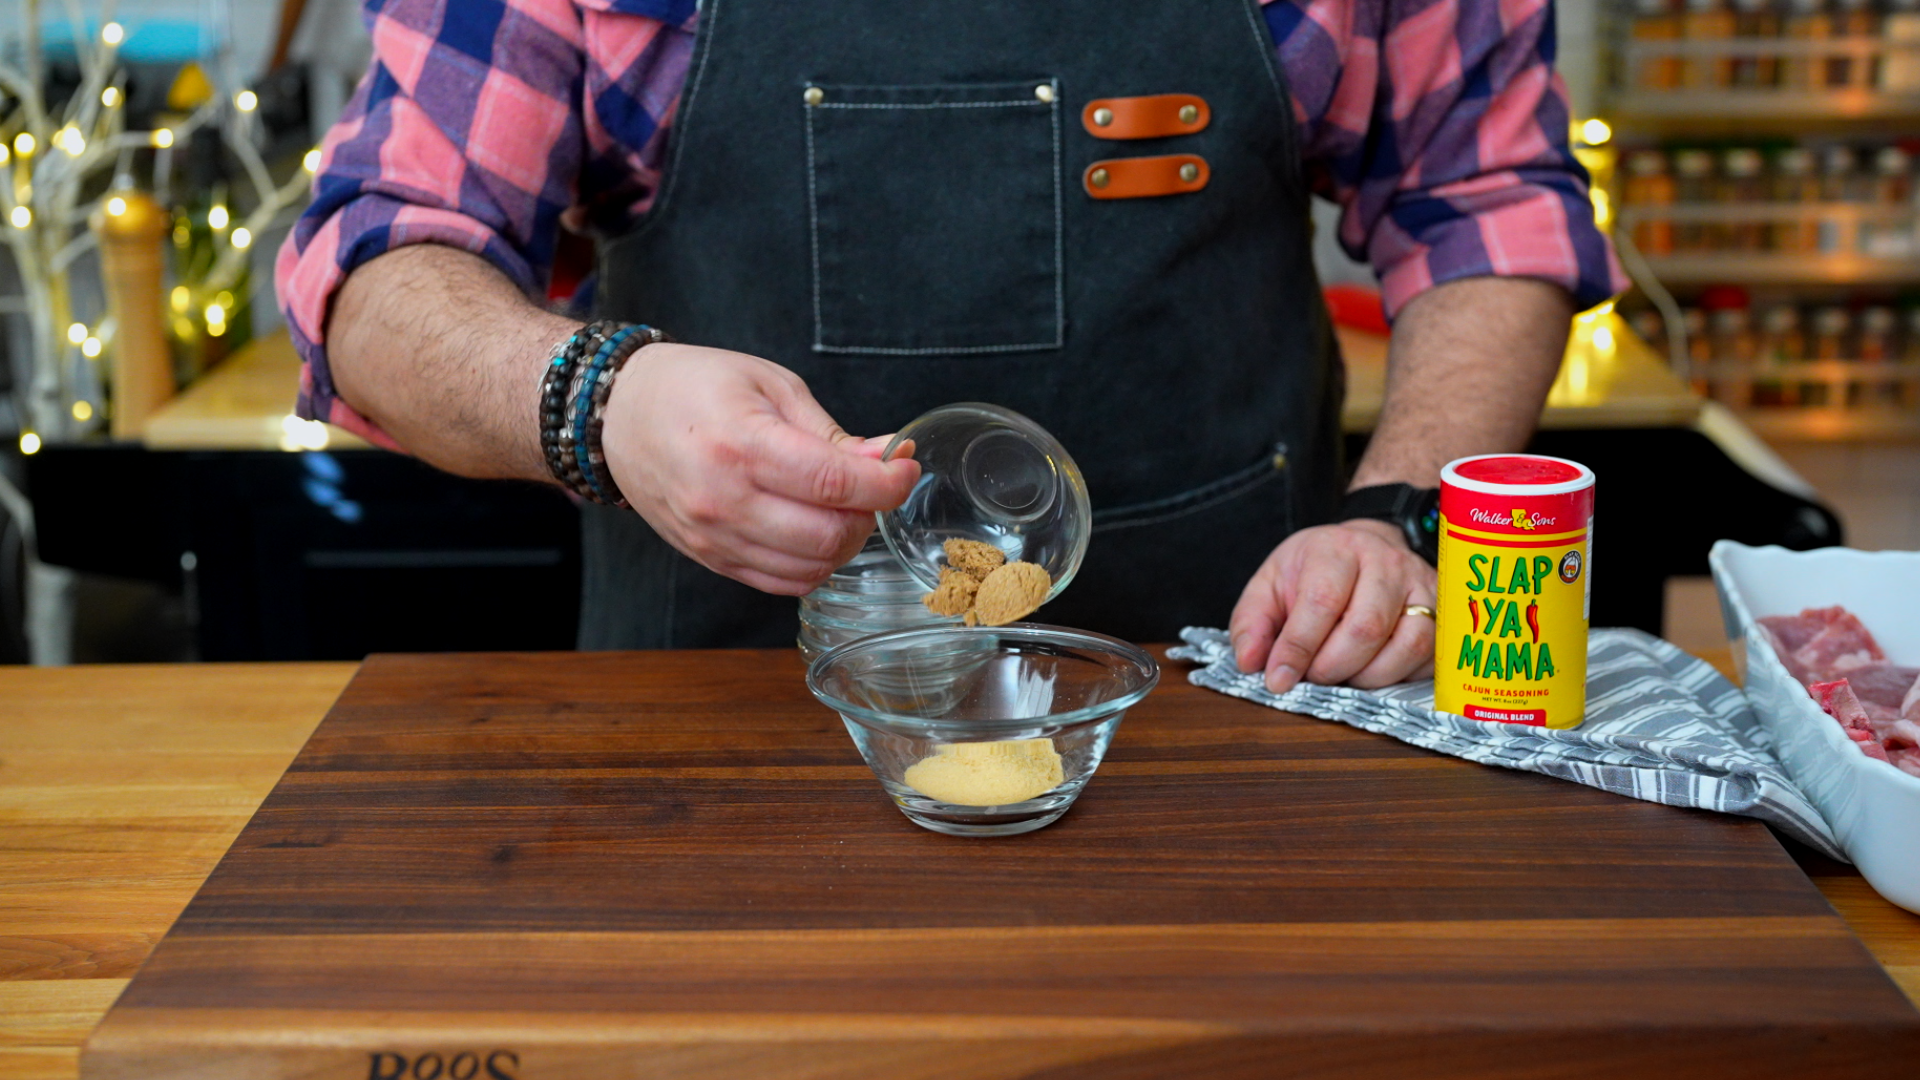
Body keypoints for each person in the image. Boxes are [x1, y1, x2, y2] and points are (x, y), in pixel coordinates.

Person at [278, 0, 1624, 692]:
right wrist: (595, 396)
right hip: (713, 759)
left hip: (1242, 719)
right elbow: (373, 266)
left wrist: (1400, 514)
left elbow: (1487, 202)